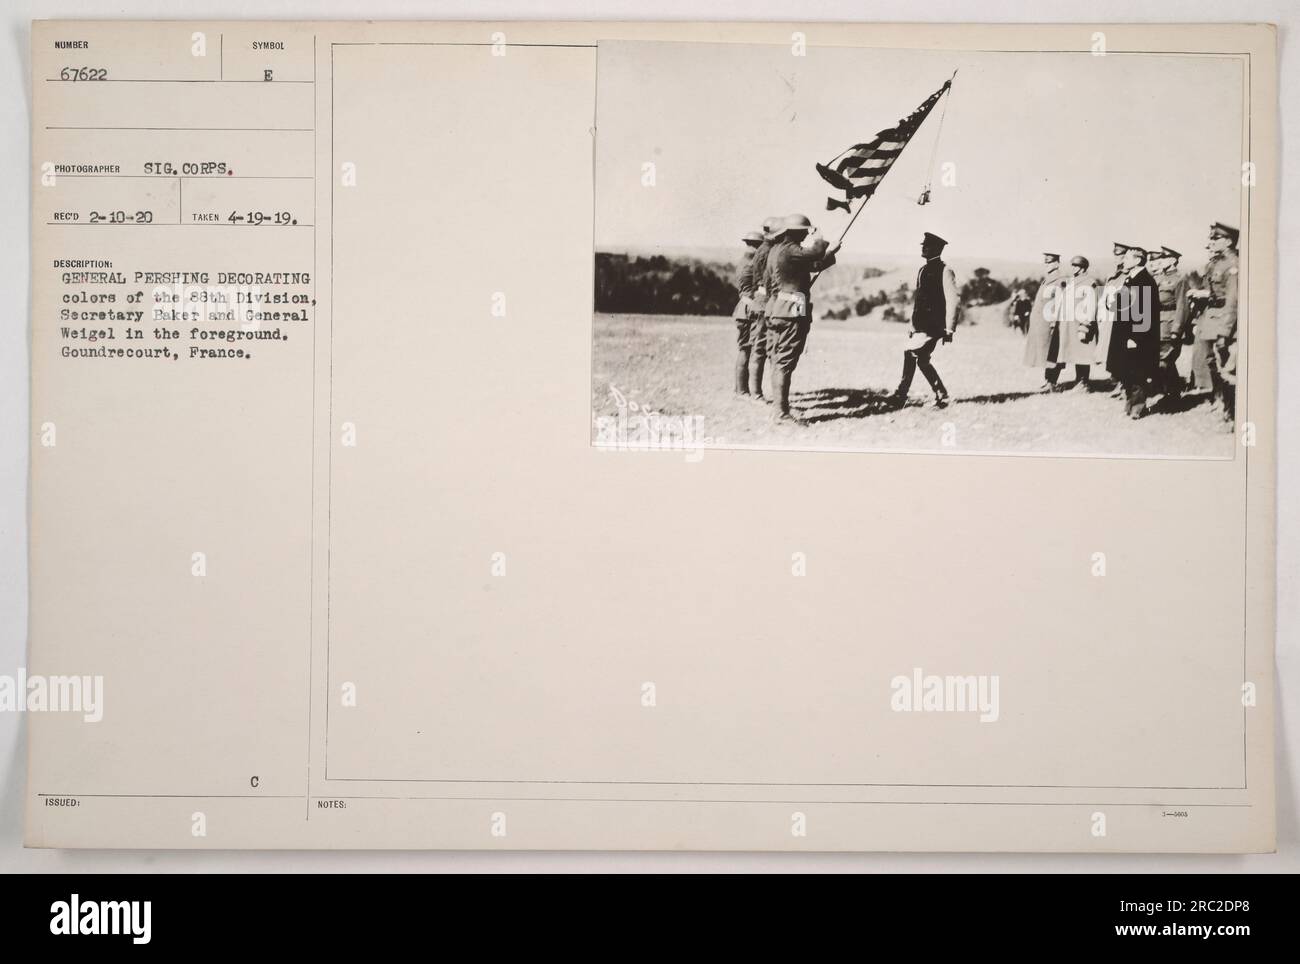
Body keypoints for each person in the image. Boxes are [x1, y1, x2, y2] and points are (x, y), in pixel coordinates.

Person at [761, 214, 839, 422]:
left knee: (778, 358)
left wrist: (830, 254)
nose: (807, 234)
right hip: (791, 311)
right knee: (785, 360)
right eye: (805, 231)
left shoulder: (776, 251)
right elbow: (814, 253)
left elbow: (811, 265)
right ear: (796, 232)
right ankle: (781, 412)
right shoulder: (791, 250)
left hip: (777, 309)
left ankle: (780, 407)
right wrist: (820, 237)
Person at [891, 231, 957, 408]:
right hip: (921, 325)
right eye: (923, 245)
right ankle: (940, 395)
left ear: (936, 248)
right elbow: (919, 301)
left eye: (927, 246)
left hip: (934, 326)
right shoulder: (923, 269)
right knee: (920, 359)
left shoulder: (945, 270)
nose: (923, 248)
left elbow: (953, 300)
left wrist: (950, 328)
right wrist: (912, 324)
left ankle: (901, 394)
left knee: (913, 354)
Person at [1188, 222, 1239, 431]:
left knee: (1227, 367)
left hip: (1223, 319)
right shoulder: (1215, 264)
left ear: (1227, 241)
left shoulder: (1234, 265)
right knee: (1213, 364)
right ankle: (1221, 404)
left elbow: (1232, 300)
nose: (1211, 242)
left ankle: (1232, 413)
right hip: (1210, 317)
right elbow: (1210, 290)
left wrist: (1224, 332)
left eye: (1215, 239)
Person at [1104, 244, 1162, 419]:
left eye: (1128, 258)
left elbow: (1144, 314)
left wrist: (1135, 337)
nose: (1124, 260)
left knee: (1138, 372)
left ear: (1138, 260)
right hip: (1124, 333)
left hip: (1136, 336)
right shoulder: (1130, 279)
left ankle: (1137, 407)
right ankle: (1129, 405)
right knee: (1126, 370)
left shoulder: (1145, 281)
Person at [1148, 245, 1189, 404]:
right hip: (1156, 324)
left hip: (1169, 323)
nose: (1161, 261)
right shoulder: (1158, 279)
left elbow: (1182, 306)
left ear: (1173, 260)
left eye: (1164, 258)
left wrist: (1176, 330)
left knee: (1165, 361)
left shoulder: (1180, 279)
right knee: (1157, 361)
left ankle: (1172, 394)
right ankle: (1167, 392)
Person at [746, 217, 781, 402]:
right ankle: (756, 394)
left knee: (760, 349)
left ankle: (757, 392)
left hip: (762, 301)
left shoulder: (764, 249)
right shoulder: (768, 251)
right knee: (760, 348)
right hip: (764, 302)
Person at [1054, 255, 1100, 391]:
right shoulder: (1071, 282)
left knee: (1083, 354)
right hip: (1069, 325)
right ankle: (1079, 380)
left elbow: (1091, 305)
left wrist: (1085, 325)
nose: (1073, 268)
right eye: (1072, 265)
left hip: (1081, 325)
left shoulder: (1089, 282)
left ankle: (1083, 382)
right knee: (1076, 354)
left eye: (1076, 266)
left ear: (1083, 268)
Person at [730, 230, 765, 396]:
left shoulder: (744, 260)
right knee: (752, 351)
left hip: (742, 310)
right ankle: (749, 392)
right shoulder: (753, 262)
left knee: (744, 350)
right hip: (751, 309)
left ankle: (740, 390)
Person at [1022, 252, 1062, 391]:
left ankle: (1052, 382)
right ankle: (1048, 381)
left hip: (1050, 323)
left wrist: (1054, 322)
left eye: (1050, 262)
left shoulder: (1059, 280)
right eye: (1045, 262)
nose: (1047, 265)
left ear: (1057, 263)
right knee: (1046, 353)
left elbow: (1059, 302)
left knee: (1052, 353)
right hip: (1042, 323)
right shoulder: (1047, 280)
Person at [1094, 242, 1129, 395]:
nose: (1116, 258)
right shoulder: (1112, 275)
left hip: (1121, 317)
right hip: (1109, 317)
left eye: (1120, 255)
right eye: (1115, 255)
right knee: (1111, 351)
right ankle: (1117, 381)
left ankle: (1124, 384)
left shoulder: (1128, 275)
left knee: (1122, 351)